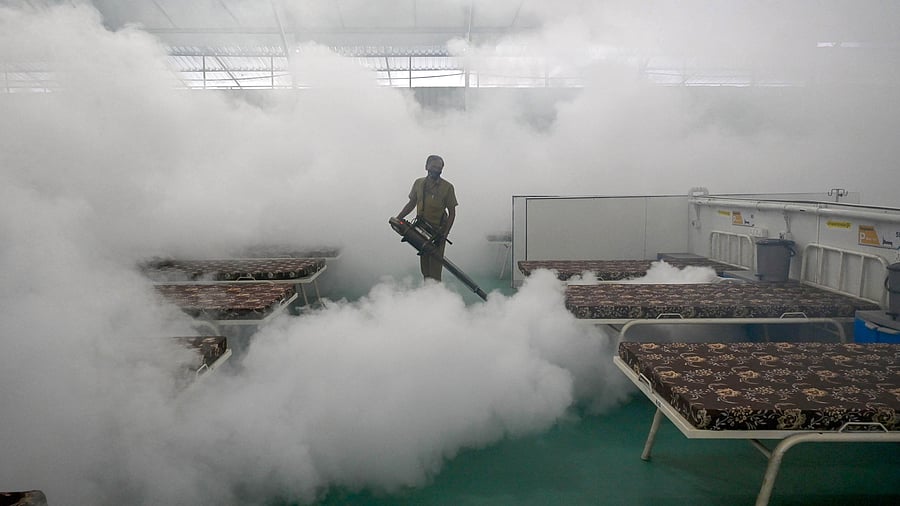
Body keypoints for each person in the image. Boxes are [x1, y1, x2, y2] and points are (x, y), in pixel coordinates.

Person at [396, 154, 458, 281]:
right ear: (426, 167)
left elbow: (452, 213)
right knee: (425, 267)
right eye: (433, 166)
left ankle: (436, 296)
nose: (436, 170)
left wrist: (445, 234)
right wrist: (398, 218)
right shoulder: (419, 183)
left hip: (437, 234)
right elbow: (412, 203)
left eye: (439, 168)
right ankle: (427, 295)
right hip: (420, 230)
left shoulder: (447, 187)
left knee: (435, 270)